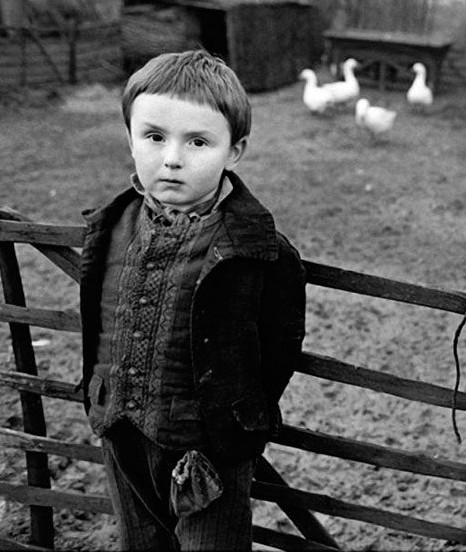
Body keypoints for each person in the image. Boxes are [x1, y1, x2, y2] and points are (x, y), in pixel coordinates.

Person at [78, 49, 306, 550]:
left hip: (207, 448)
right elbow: (95, 312)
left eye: (198, 141)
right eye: (154, 137)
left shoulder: (256, 249)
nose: (173, 158)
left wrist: (240, 420)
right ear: (130, 137)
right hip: (120, 425)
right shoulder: (111, 225)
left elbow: (280, 344)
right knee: (142, 542)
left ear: (235, 150)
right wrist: (98, 389)